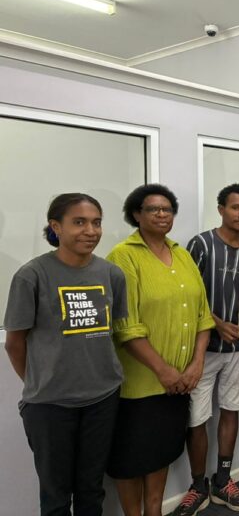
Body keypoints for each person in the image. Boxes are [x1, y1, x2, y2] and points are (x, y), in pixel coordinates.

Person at [4, 193, 126, 516]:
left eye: (96, 222)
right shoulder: (31, 276)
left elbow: (112, 333)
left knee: (91, 490)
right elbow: (14, 343)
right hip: (50, 406)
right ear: (56, 227)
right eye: (79, 222)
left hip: (102, 399)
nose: (91, 231)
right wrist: (41, 382)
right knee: (55, 497)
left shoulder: (112, 275)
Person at [106, 184, 214, 516]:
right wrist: (164, 371)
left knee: (161, 454)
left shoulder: (181, 253)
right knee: (129, 460)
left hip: (180, 383)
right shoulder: (123, 255)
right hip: (139, 387)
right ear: (136, 214)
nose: (162, 214)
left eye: (167, 209)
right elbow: (126, 325)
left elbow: (203, 315)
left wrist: (196, 364)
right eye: (153, 209)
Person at [171, 184, 239, 515]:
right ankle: (198, 486)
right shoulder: (201, 245)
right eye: (236, 207)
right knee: (196, 418)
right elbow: (187, 296)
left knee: (231, 409)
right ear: (221, 209)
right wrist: (217, 323)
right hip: (203, 349)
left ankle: (223, 481)